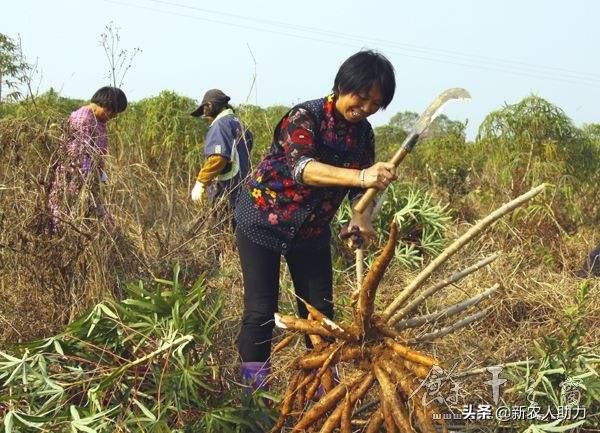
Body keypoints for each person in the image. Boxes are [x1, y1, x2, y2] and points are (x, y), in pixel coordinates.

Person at [233, 50, 397, 388]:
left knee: (321, 315)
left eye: (374, 104)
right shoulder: (304, 117)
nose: (365, 108)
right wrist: (362, 177)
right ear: (340, 86)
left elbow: (359, 198)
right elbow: (302, 169)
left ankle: (322, 392)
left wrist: (361, 218)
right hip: (262, 218)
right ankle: (254, 395)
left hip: (311, 230)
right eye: (361, 97)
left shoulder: (363, 135)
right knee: (261, 310)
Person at [47, 86, 127, 231]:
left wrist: (100, 175)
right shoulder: (83, 119)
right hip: (74, 178)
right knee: (68, 218)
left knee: (97, 219)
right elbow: (78, 154)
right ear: (103, 104)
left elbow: (98, 152)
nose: (112, 116)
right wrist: (90, 181)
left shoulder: (99, 120)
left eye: (115, 114)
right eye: (112, 112)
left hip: (88, 178)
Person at [190, 89, 253, 227]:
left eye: (204, 109)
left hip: (226, 195)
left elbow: (218, 158)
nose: (205, 116)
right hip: (244, 195)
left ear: (211, 106)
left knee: (220, 238)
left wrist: (201, 183)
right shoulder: (240, 124)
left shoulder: (220, 125)